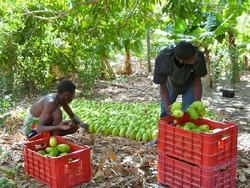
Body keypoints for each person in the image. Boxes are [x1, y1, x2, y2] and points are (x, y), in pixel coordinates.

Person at [145, 41, 207, 146]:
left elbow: (197, 81)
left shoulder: (198, 55)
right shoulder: (163, 59)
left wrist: (197, 103)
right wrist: (167, 105)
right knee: (165, 112)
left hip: (190, 84)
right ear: (182, 60)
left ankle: (184, 142)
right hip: (171, 84)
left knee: (188, 113)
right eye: (193, 59)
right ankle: (162, 139)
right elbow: (163, 87)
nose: (196, 58)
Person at [23, 79, 88, 141]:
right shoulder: (51, 102)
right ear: (66, 94)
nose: (73, 97)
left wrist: (81, 122)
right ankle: (55, 141)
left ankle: (53, 139)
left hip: (41, 125)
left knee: (73, 126)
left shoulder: (61, 100)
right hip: (31, 131)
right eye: (73, 94)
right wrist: (58, 127)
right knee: (57, 113)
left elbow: (72, 115)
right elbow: (39, 128)